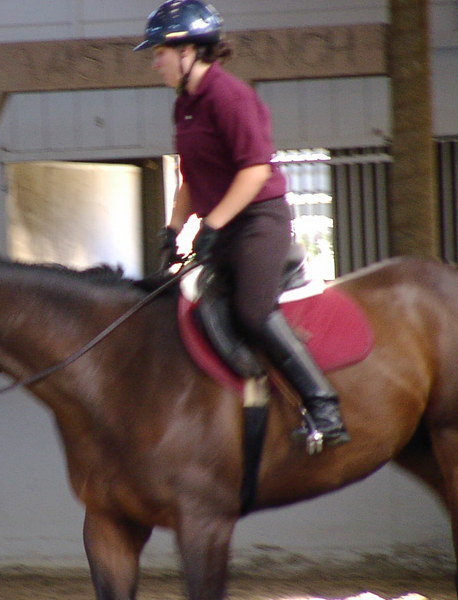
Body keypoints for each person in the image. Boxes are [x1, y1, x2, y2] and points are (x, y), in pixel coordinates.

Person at [135, 0, 349, 451]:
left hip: (258, 221)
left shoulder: (229, 96)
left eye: (159, 52)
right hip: (225, 224)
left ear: (188, 51)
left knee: (252, 311)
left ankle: (324, 408)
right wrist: (173, 228)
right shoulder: (185, 105)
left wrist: (211, 225)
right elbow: (190, 176)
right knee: (180, 300)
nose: (155, 63)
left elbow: (254, 171)